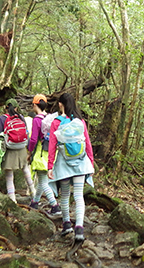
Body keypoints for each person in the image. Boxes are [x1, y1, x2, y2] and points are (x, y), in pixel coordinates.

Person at [48, 93, 95, 242]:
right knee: (79, 196)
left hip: (63, 164)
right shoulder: (80, 121)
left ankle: (67, 223)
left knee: (65, 195)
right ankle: (79, 228)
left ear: (60, 104)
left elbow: (52, 146)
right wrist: (91, 162)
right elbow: (87, 143)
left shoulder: (56, 122)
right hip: (81, 163)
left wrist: (50, 166)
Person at [0, 98, 36, 203]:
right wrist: (29, 149)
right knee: (25, 170)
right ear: (16, 108)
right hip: (21, 148)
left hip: (9, 149)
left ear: (5, 108)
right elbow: (26, 133)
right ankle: (34, 193)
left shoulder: (2, 118)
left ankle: (13, 199)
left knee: (9, 176)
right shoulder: (20, 117)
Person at [27, 94, 61, 217]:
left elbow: (33, 139)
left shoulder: (37, 119)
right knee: (42, 180)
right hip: (50, 152)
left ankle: (55, 206)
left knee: (43, 182)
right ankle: (34, 202)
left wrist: (29, 152)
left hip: (41, 153)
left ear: (35, 104)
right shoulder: (49, 118)